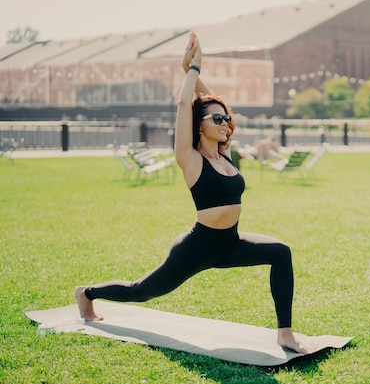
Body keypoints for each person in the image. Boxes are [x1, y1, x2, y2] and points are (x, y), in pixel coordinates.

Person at [75, 31, 313, 354]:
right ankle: (86, 293)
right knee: (142, 290)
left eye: (226, 119)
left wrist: (188, 70)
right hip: (197, 247)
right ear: (199, 124)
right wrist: (193, 71)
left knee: (280, 252)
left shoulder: (225, 153)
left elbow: (211, 101)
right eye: (216, 118)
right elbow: (184, 103)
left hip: (230, 243)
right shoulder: (190, 160)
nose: (224, 121)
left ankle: (285, 333)